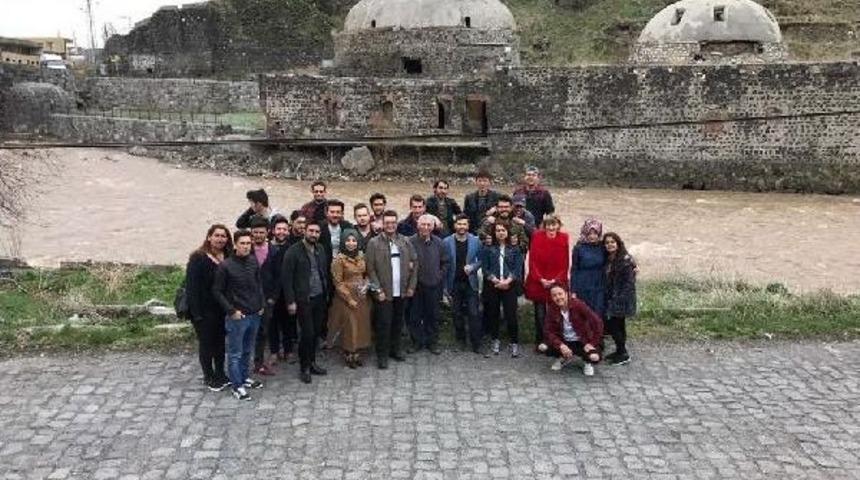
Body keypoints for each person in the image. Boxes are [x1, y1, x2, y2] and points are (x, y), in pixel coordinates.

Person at [213, 229, 265, 401]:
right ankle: (237, 386)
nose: (245, 246)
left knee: (247, 350)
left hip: (254, 313)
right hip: (237, 316)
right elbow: (217, 292)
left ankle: (244, 377)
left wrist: (261, 304)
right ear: (235, 244)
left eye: (248, 243)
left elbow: (258, 284)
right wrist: (231, 311)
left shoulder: (253, 260)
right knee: (235, 353)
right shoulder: (225, 266)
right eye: (242, 243)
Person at [365, 210, 418, 369]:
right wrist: (377, 290)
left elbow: (414, 264)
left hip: (401, 291)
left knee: (397, 322)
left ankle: (395, 350)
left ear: (396, 224)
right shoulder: (374, 243)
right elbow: (370, 269)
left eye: (393, 223)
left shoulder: (405, 241)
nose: (390, 225)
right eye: (387, 223)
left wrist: (411, 286)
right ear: (382, 224)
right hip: (384, 292)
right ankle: (382, 354)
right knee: (383, 324)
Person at [282, 222, 331, 384]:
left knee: (316, 333)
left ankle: (312, 362)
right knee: (307, 333)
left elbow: (324, 271)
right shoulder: (293, 251)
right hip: (303, 299)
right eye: (311, 231)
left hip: (319, 297)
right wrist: (290, 301)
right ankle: (304, 367)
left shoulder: (321, 249)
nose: (314, 234)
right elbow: (287, 278)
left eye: (317, 232)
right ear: (305, 231)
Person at [185, 224, 233, 392]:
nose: (220, 239)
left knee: (220, 343)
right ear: (209, 237)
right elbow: (192, 287)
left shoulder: (228, 255)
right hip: (203, 311)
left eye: (223, 236)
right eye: (217, 235)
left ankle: (220, 372)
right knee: (207, 344)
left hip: (221, 309)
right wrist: (196, 314)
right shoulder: (198, 258)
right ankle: (209, 375)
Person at [327, 229, 373, 368]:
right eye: (348, 240)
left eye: (354, 240)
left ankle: (357, 352)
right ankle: (349, 354)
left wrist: (366, 285)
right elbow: (337, 282)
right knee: (349, 326)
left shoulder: (361, 256)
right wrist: (348, 298)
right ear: (343, 242)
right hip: (345, 297)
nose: (351, 243)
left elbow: (367, 274)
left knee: (361, 324)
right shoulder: (338, 260)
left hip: (361, 295)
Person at [524, 214, 570, 351]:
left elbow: (565, 263)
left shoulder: (564, 238)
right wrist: (540, 279)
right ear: (544, 226)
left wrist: (555, 280)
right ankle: (541, 340)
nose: (551, 227)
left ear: (558, 225)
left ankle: (556, 340)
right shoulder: (537, 236)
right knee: (540, 313)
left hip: (557, 281)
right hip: (539, 281)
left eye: (553, 224)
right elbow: (532, 261)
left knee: (556, 311)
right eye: (548, 224)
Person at [408, 214, 450, 354]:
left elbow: (446, 263)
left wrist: (439, 276)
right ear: (417, 225)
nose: (425, 227)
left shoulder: (439, 243)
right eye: (423, 224)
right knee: (414, 316)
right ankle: (416, 342)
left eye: (428, 225)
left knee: (432, 315)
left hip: (433, 285)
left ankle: (432, 342)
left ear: (433, 227)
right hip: (415, 286)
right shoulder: (410, 242)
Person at [481, 222, 524, 357]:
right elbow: (485, 268)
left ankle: (514, 342)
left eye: (503, 230)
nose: (500, 232)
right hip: (493, 285)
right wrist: (495, 280)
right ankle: (495, 340)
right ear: (494, 233)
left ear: (508, 232)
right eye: (498, 230)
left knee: (511, 315)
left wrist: (507, 281)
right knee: (493, 314)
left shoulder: (515, 249)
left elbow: (517, 269)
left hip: (509, 285)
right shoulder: (488, 248)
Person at [442, 214, 483, 354]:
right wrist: (445, 288)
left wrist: (473, 267)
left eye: (464, 224)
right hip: (453, 283)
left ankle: (476, 342)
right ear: (455, 226)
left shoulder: (476, 241)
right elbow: (444, 264)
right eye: (459, 224)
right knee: (456, 313)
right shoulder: (446, 242)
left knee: (473, 312)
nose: (461, 227)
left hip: (470, 283)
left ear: (468, 226)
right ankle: (461, 340)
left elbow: (482, 259)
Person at [543, 285, 603, 377]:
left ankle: (588, 363)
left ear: (567, 293)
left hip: (582, 341)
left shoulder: (578, 305)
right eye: (554, 295)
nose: (558, 297)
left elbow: (597, 322)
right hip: (564, 340)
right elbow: (548, 330)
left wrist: (592, 343)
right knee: (543, 347)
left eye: (560, 294)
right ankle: (564, 357)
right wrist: (560, 345)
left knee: (594, 357)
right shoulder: (552, 309)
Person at [263, 215, 294, 366]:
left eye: (284, 229)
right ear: (273, 231)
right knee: (272, 323)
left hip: (288, 292)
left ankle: (288, 350)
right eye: (278, 229)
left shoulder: (292, 247)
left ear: (288, 231)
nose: (281, 232)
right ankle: (274, 351)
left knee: (288, 323)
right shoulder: (267, 248)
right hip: (271, 293)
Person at [603, 232, 637, 366]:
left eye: (612, 242)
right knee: (618, 325)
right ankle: (620, 350)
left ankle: (623, 353)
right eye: (607, 242)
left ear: (618, 243)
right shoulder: (609, 257)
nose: (610, 245)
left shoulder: (625, 259)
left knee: (614, 325)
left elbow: (629, 282)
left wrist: (619, 298)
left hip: (621, 298)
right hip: (612, 296)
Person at [248, 216, 275, 375]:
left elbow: (278, 275)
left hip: (267, 298)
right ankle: (244, 361)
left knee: (263, 331)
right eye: (255, 232)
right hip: (247, 298)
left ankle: (258, 362)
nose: (258, 235)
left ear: (268, 233)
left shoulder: (274, 251)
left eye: (261, 232)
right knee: (247, 331)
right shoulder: (244, 249)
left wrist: (272, 297)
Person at [570, 219, 607, 322]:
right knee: (584, 313)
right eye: (589, 233)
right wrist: (573, 290)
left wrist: (633, 264)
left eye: (595, 233)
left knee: (598, 313)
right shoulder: (579, 247)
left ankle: (598, 336)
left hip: (599, 285)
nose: (592, 236)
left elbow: (617, 253)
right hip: (583, 285)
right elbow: (574, 269)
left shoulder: (602, 247)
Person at [463, 170, 500, 234]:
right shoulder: (469, 197)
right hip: (473, 230)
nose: (482, 183)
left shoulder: (496, 196)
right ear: (476, 182)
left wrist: (496, 209)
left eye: (485, 181)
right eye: (480, 181)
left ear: (489, 182)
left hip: (490, 230)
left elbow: (507, 208)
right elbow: (465, 214)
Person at [318, 199, 354, 266]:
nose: (335, 215)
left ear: (342, 213)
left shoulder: (348, 227)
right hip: (324, 265)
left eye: (338, 212)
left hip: (344, 265)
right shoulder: (319, 228)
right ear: (326, 213)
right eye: (332, 212)